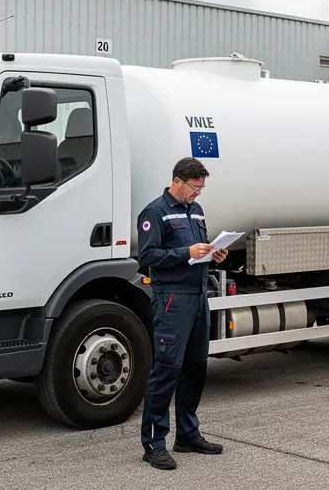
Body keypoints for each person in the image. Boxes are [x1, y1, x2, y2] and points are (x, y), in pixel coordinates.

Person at [136, 156, 228, 470]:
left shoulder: (196, 211)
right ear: (178, 180)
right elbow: (147, 255)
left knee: (196, 367)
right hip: (172, 298)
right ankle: (154, 444)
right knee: (166, 369)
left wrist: (213, 253)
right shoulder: (155, 212)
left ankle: (187, 435)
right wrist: (186, 253)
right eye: (195, 187)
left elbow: (197, 247)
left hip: (198, 296)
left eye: (201, 188)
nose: (199, 193)